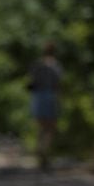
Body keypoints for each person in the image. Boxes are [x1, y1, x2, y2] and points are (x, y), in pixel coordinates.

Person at [28, 41, 63, 171]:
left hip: (37, 96)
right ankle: (44, 151)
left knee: (40, 127)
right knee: (50, 128)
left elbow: (32, 81)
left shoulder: (37, 64)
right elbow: (58, 84)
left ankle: (40, 149)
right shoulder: (56, 65)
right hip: (50, 96)